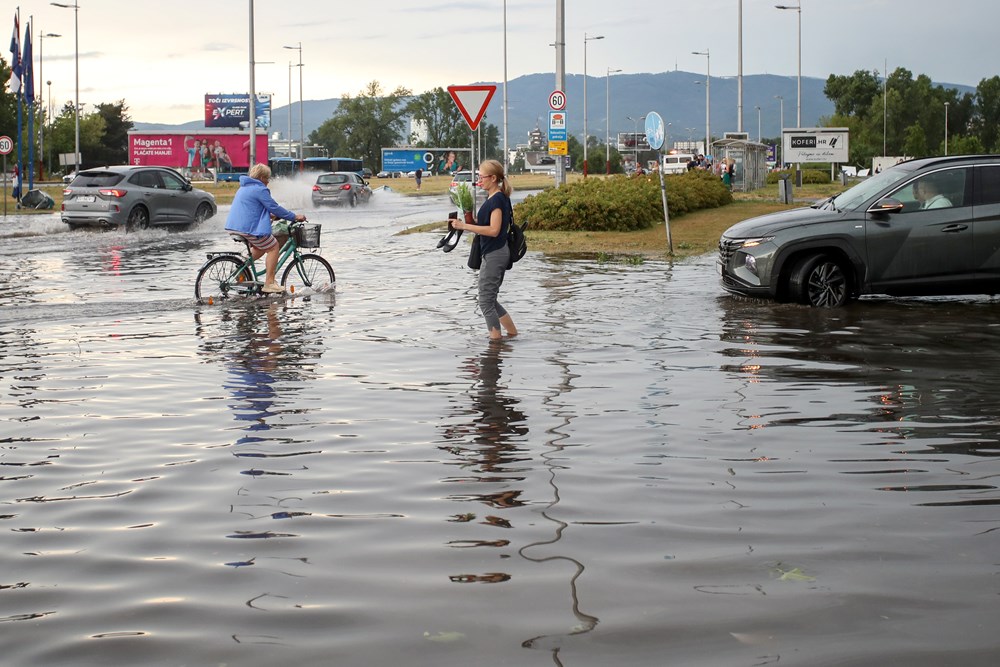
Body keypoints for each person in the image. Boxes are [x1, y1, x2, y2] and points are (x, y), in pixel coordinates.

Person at [449, 159, 518, 341]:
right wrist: (469, 223)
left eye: (482, 177)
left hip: (495, 254)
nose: (479, 180)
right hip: (496, 252)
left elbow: (494, 230)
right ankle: (513, 335)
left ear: (493, 178)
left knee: (485, 301)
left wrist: (465, 226)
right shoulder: (497, 197)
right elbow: (489, 226)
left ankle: (495, 345)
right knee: (491, 299)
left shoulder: (497, 200)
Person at [224, 163, 306, 294]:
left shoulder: (244, 187)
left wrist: (271, 216)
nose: (268, 182)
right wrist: (294, 216)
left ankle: (240, 267)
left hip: (235, 226)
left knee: (260, 247)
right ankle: (269, 283)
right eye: (267, 178)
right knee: (273, 246)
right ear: (261, 177)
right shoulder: (260, 189)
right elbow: (274, 207)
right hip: (247, 228)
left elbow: (252, 208)